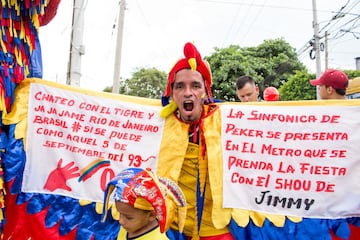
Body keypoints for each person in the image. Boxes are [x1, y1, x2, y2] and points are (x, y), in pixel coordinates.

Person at [158, 42, 234, 239]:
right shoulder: (159, 124)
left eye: (196, 86)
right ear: (172, 94)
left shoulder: (228, 121)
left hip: (217, 229)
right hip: (171, 229)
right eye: (180, 86)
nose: (188, 92)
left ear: (206, 92)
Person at [102, 167, 186, 240]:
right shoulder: (129, 226)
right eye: (120, 213)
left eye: (128, 217)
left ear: (151, 215)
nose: (121, 221)